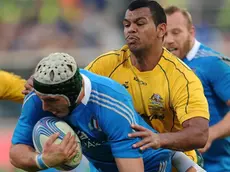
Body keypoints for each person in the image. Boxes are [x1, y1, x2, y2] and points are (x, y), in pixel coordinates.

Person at [23, 0, 209, 165]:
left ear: (161, 30)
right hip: (120, 160)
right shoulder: (107, 64)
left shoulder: (182, 77)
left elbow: (199, 134)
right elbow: (73, 88)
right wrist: (43, 81)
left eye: (140, 23)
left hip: (172, 163)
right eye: (126, 24)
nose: (131, 29)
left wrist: (158, 139)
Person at [163, 6, 230, 172]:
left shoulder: (213, 63)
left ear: (191, 32)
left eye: (176, 32)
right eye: (164, 34)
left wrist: (210, 134)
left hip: (215, 167)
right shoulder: (163, 65)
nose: (169, 40)